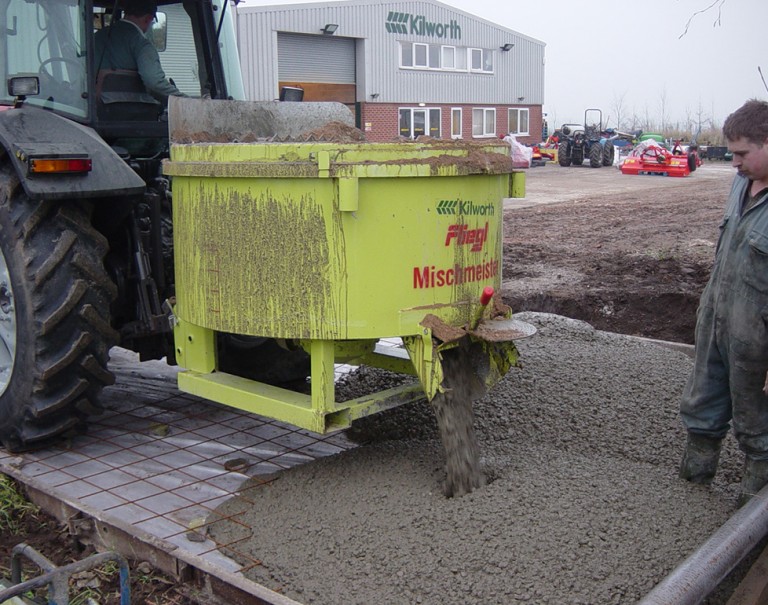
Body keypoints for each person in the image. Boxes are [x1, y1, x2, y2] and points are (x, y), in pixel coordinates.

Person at [679, 98, 768, 505]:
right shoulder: (740, 184)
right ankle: (691, 491)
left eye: (741, 153)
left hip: (757, 339)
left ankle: (750, 525)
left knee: (758, 428)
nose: (733, 162)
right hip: (716, 321)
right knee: (702, 407)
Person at [95, 0, 185, 100]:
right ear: (148, 19)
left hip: (93, 106)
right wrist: (184, 99)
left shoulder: (96, 37)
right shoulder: (141, 44)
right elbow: (154, 83)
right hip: (132, 110)